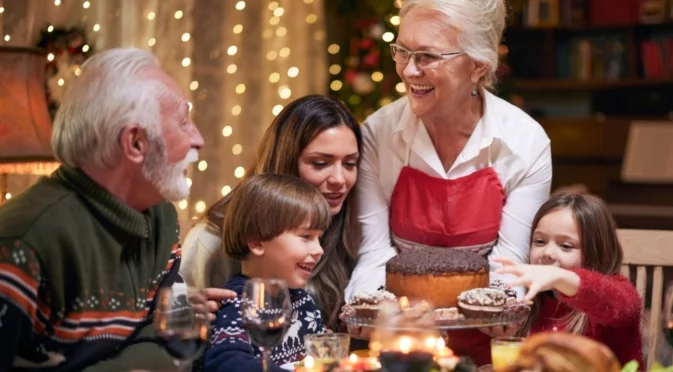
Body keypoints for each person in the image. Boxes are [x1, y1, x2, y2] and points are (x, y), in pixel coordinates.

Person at [344, 0, 552, 364]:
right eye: (402, 50)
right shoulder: (377, 135)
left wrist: (497, 311)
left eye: (428, 56)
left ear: (477, 67)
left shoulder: (525, 143)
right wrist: (372, 308)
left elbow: (509, 261)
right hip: (398, 345)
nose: (409, 70)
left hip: (489, 350)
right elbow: (375, 252)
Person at [0, 48, 234, 371]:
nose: (198, 139)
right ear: (136, 143)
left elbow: (182, 335)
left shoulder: (161, 218)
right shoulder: (23, 243)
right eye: (183, 123)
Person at [181, 95, 362, 331]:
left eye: (350, 164)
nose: (340, 179)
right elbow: (176, 329)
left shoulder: (347, 228)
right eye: (320, 163)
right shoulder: (210, 240)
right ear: (285, 161)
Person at [495, 193, 643, 366]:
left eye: (566, 246)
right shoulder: (529, 303)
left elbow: (621, 305)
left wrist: (561, 277)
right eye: (540, 241)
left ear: (596, 252)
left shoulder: (617, 296)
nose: (547, 253)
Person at [204, 174, 330, 372]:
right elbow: (227, 362)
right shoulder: (238, 303)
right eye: (306, 236)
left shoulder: (304, 300)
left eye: (319, 238)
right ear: (256, 242)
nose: (319, 250)